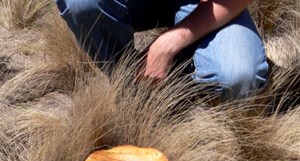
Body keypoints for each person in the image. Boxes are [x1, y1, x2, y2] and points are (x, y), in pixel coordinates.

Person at [55, 0, 269, 99]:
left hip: (207, 6)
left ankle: (178, 79)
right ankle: (130, 86)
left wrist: (167, 45)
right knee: (80, 3)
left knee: (239, 75)